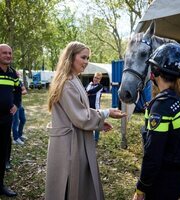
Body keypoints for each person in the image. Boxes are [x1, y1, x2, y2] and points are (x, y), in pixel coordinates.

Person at [45, 41, 126, 200]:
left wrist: (100, 122)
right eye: (83, 57)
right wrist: (106, 113)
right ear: (70, 57)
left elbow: (79, 111)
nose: (86, 62)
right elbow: (80, 116)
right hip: (69, 144)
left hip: (74, 139)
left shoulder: (73, 79)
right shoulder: (67, 83)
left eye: (88, 58)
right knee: (70, 185)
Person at [133, 43, 180, 200]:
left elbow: (152, 155)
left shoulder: (162, 105)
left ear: (155, 71)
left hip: (161, 183)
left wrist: (141, 188)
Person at [0, 44, 21, 197]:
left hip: (6, 119)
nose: (8, 55)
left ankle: (0, 186)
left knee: (2, 152)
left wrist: (16, 105)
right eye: (4, 53)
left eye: (10, 53)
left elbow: (18, 90)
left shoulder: (13, 74)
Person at [86, 72, 103, 143]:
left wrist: (88, 93)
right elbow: (85, 91)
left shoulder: (100, 86)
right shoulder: (89, 84)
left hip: (96, 107)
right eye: (95, 77)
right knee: (88, 122)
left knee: (96, 123)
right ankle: (89, 138)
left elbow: (91, 91)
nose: (96, 79)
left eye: (98, 78)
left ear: (100, 80)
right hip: (87, 106)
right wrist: (87, 92)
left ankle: (96, 139)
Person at [12, 73, 27, 145]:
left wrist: (18, 92)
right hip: (13, 105)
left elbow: (25, 91)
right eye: (17, 74)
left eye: (19, 74)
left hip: (20, 104)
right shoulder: (11, 82)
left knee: (23, 120)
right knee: (15, 122)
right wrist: (18, 92)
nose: (18, 75)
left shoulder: (19, 82)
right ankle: (15, 138)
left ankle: (20, 135)